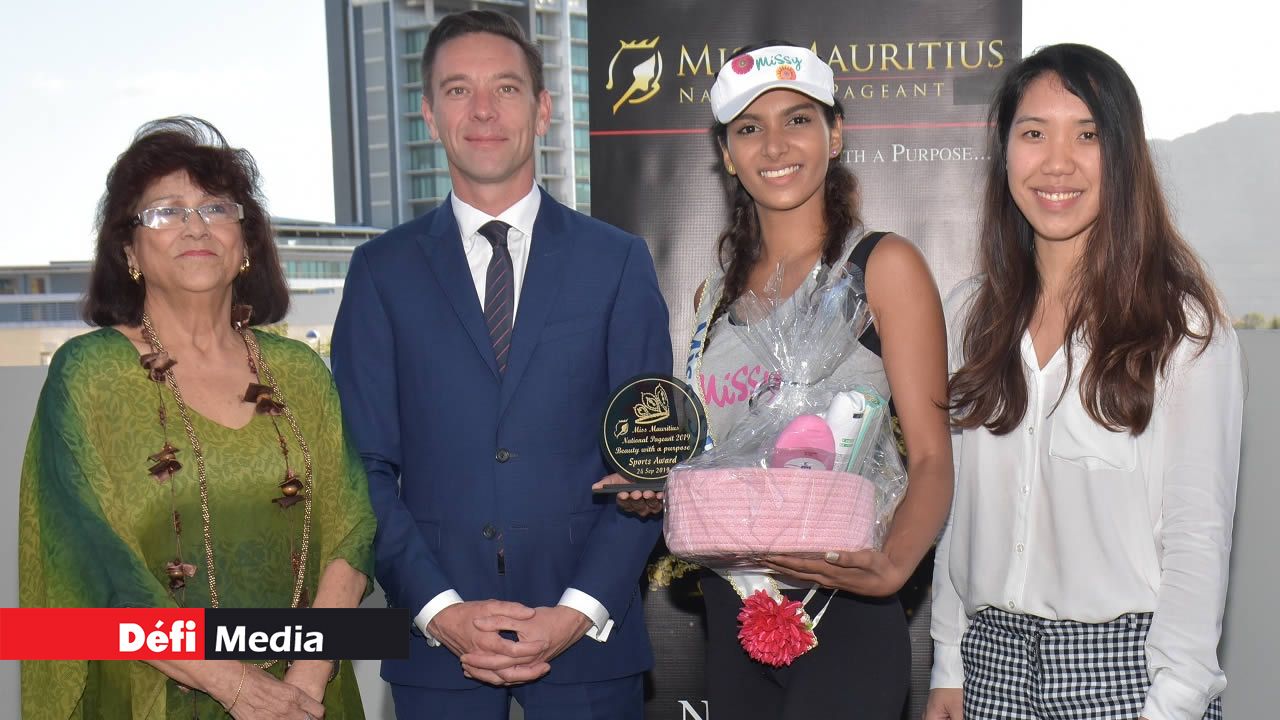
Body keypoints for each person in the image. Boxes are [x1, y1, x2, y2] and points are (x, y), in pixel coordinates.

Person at [329, 10, 671, 720]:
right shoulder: (380, 272)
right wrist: (441, 612)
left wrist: (576, 612)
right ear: (428, 114)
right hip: (435, 654)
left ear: (544, 109)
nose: (482, 110)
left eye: (506, 89)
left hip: (589, 651)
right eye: (458, 90)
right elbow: (364, 471)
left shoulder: (617, 262)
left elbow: (648, 461)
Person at [604, 42, 953, 718]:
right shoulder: (713, 299)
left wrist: (893, 566)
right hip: (736, 613)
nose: (774, 145)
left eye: (797, 120)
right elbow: (720, 457)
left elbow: (935, 458)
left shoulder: (881, 267)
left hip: (844, 610)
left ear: (835, 133)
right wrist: (663, 487)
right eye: (749, 128)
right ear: (727, 152)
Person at [18, 117, 376, 719]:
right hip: (153, 696)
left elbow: (353, 527)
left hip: (307, 698)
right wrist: (238, 688)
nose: (195, 226)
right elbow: (87, 558)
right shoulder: (89, 376)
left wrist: (305, 681)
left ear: (246, 244)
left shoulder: (300, 372)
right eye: (165, 211)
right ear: (129, 251)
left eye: (216, 208)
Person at [925, 44, 1241, 720]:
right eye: (1033, 133)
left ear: (1124, 157)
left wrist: (1176, 703)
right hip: (989, 670)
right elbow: (957, 508)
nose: (1057, 162)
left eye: (1088, 135)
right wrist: (948, 665)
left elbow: (1196, 535)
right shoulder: (966, 316)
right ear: (1005, 151)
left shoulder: (1183, 327)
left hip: (1126, 678)